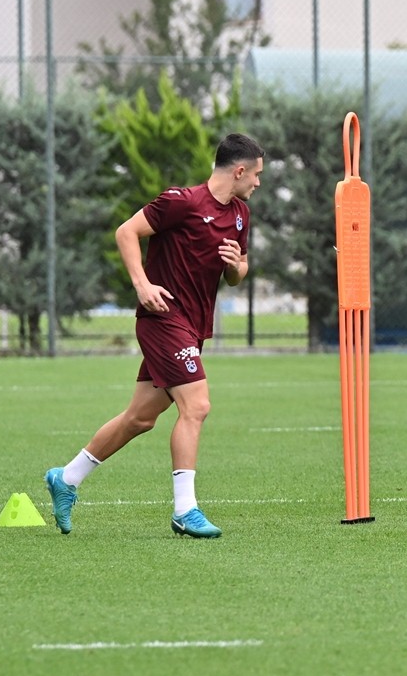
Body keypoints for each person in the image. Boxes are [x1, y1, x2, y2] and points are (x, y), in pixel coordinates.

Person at [44, 133, 265, 537]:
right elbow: (126, 232)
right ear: (239, 170)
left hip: (193, 327)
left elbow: (238, 273)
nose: (258, 183)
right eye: (256, 174)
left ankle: (67, 478)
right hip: (163, 318)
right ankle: (185, 509)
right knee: (196, 406)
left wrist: (235, 266)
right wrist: (142, 286)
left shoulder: (239, 216)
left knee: (140, 418)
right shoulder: (181, 202)